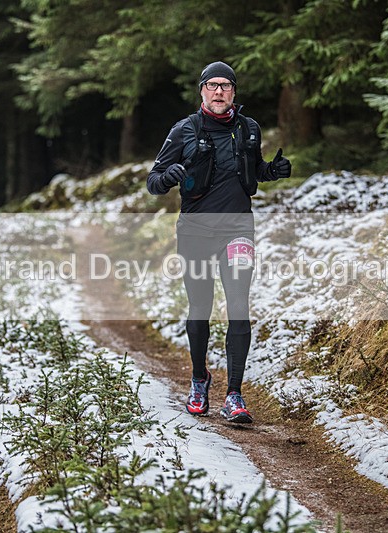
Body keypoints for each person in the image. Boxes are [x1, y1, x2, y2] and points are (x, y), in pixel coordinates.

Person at [147, 61, 292, 423]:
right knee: (200, 309)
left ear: (233, 92)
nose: (218, 92)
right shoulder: (184, 130)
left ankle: (235, 395)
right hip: (195, 231)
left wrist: (272, 172)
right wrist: (169, 176)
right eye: (212, 85)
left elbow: (252, 168)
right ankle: (199, 380)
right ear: (202, 91)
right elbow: (153, 180)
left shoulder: (249, 128)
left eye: (225, 86)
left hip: (238, 229)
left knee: (239, 307)